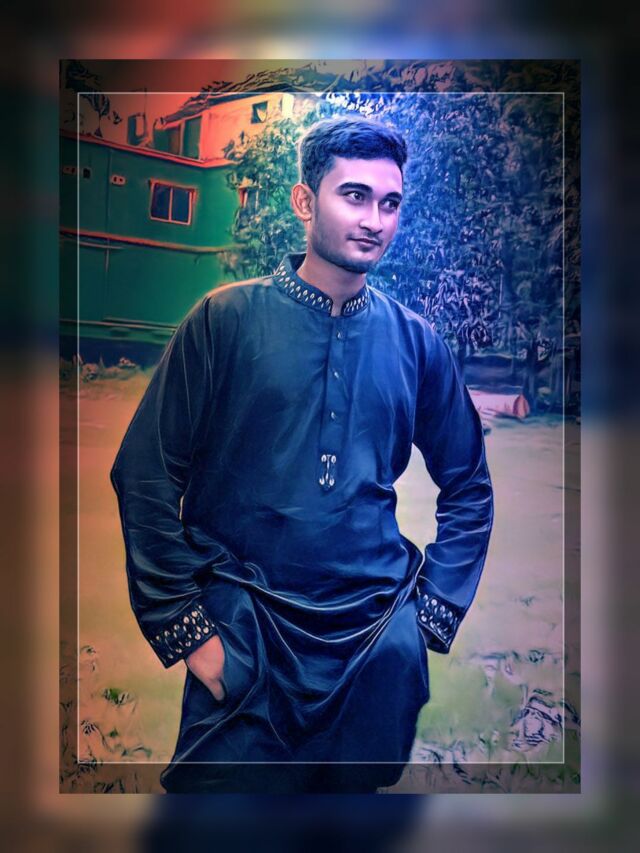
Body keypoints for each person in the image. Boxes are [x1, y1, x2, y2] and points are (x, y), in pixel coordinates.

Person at [110, 116, 494, 793]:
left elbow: (468, 487)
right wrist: (191, 631)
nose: (374, 219)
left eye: (390, 202)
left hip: (373, 643)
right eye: (354, 195)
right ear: (304, 201)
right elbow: (145, 474)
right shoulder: (225, 320)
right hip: (244, 634)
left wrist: (422, 624)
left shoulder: (416, 344)